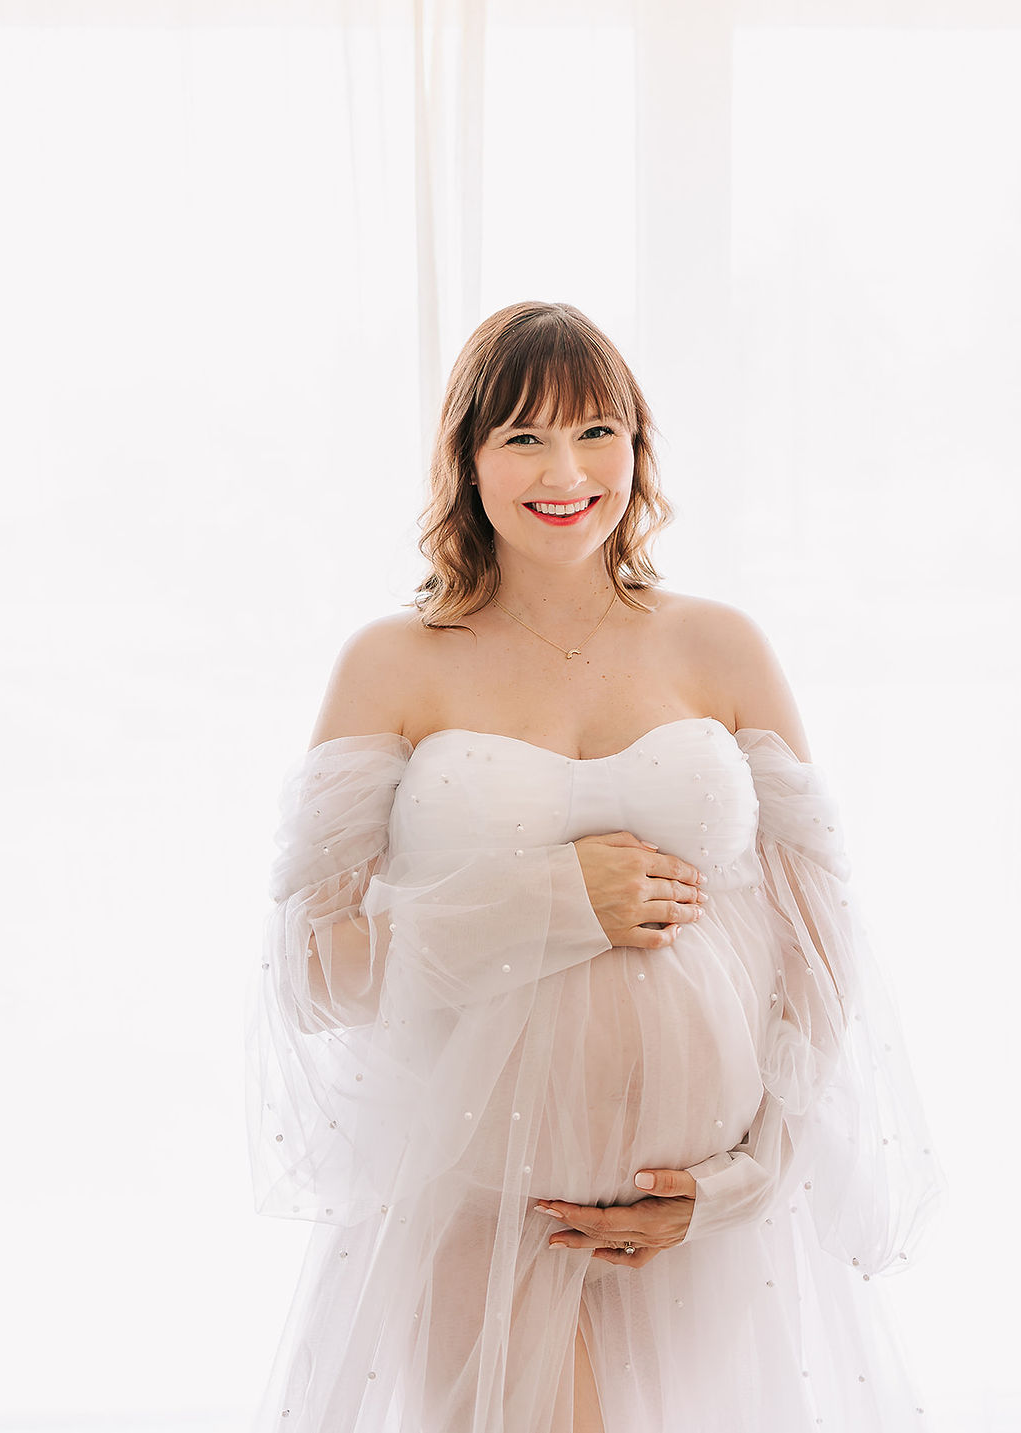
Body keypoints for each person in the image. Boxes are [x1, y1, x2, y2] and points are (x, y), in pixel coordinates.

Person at [246, 300, 946, 1433]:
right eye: (521, 436)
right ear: (466, 462)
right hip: (481, 1206)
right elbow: (316, 974)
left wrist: (745, 1176)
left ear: (638, 445)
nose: (564, 469)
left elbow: (818, 946)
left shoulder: (721, 645)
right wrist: (553, 900)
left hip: (704, 1230)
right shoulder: (390, 664)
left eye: (595, 430)